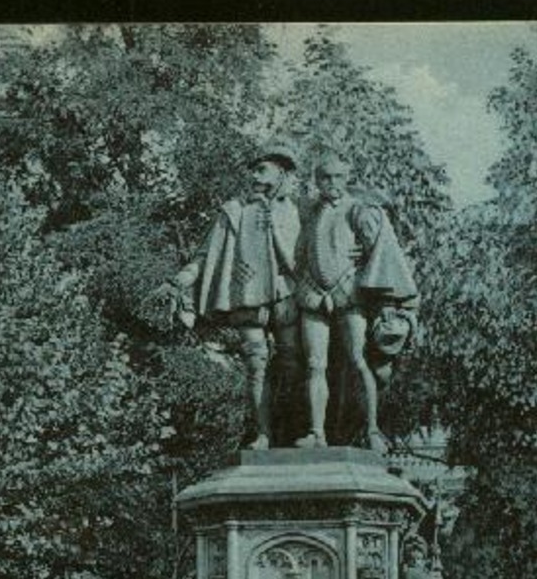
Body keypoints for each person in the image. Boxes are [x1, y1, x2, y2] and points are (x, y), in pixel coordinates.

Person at [163, 143, 301, 450]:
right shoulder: (235, 210)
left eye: (263, 169)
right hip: (247, 296)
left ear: (281, 173)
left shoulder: (296, 211)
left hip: (286, 295)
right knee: (256, 364)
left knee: (293, 363)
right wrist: (180, 280)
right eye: (254, 169)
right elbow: (203, 255)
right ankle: (263, 433)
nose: (255, 175)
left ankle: (293, 430)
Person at [294, 153, 418, 452]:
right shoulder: (309, 212)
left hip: (349, 293)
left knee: (358, 359)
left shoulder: (360, 210)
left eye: (338, 177)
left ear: (347, 178)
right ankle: (316, 433)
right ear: (316, 181)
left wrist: (386, 300)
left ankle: (373, 429)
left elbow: (382, 253)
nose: (332, 183)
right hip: (313, 294)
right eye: (325, 177)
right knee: (315, 364)